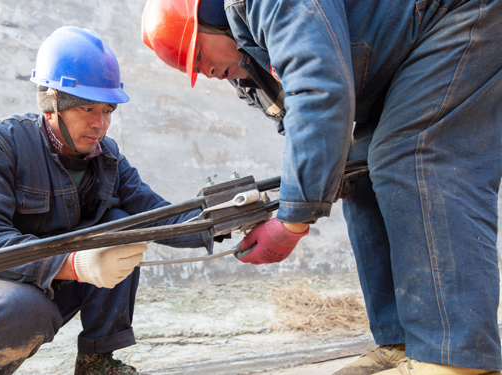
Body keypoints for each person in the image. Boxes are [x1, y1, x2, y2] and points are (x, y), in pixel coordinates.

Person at [141, 0, 502, 374]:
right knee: (357, 175)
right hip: (405, 53)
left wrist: (291, 221)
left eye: (199, 56)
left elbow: (318, 91)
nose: (207, 73)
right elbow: (298, 119)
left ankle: (454, 356)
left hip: (458, 16)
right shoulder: (247, 70)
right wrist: (323, 177)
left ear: (214, 22)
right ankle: (404, 342)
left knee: (416, 155)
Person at [0, 26, 212, 375]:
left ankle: (96, 362)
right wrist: (74, 265)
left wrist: (225, 220)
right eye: (86, 108)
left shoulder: (107, 158)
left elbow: (156, 215)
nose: (100, 124)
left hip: (44, 284)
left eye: (107, 110)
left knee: (120, 225)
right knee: (22, 311)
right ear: (51, 105)